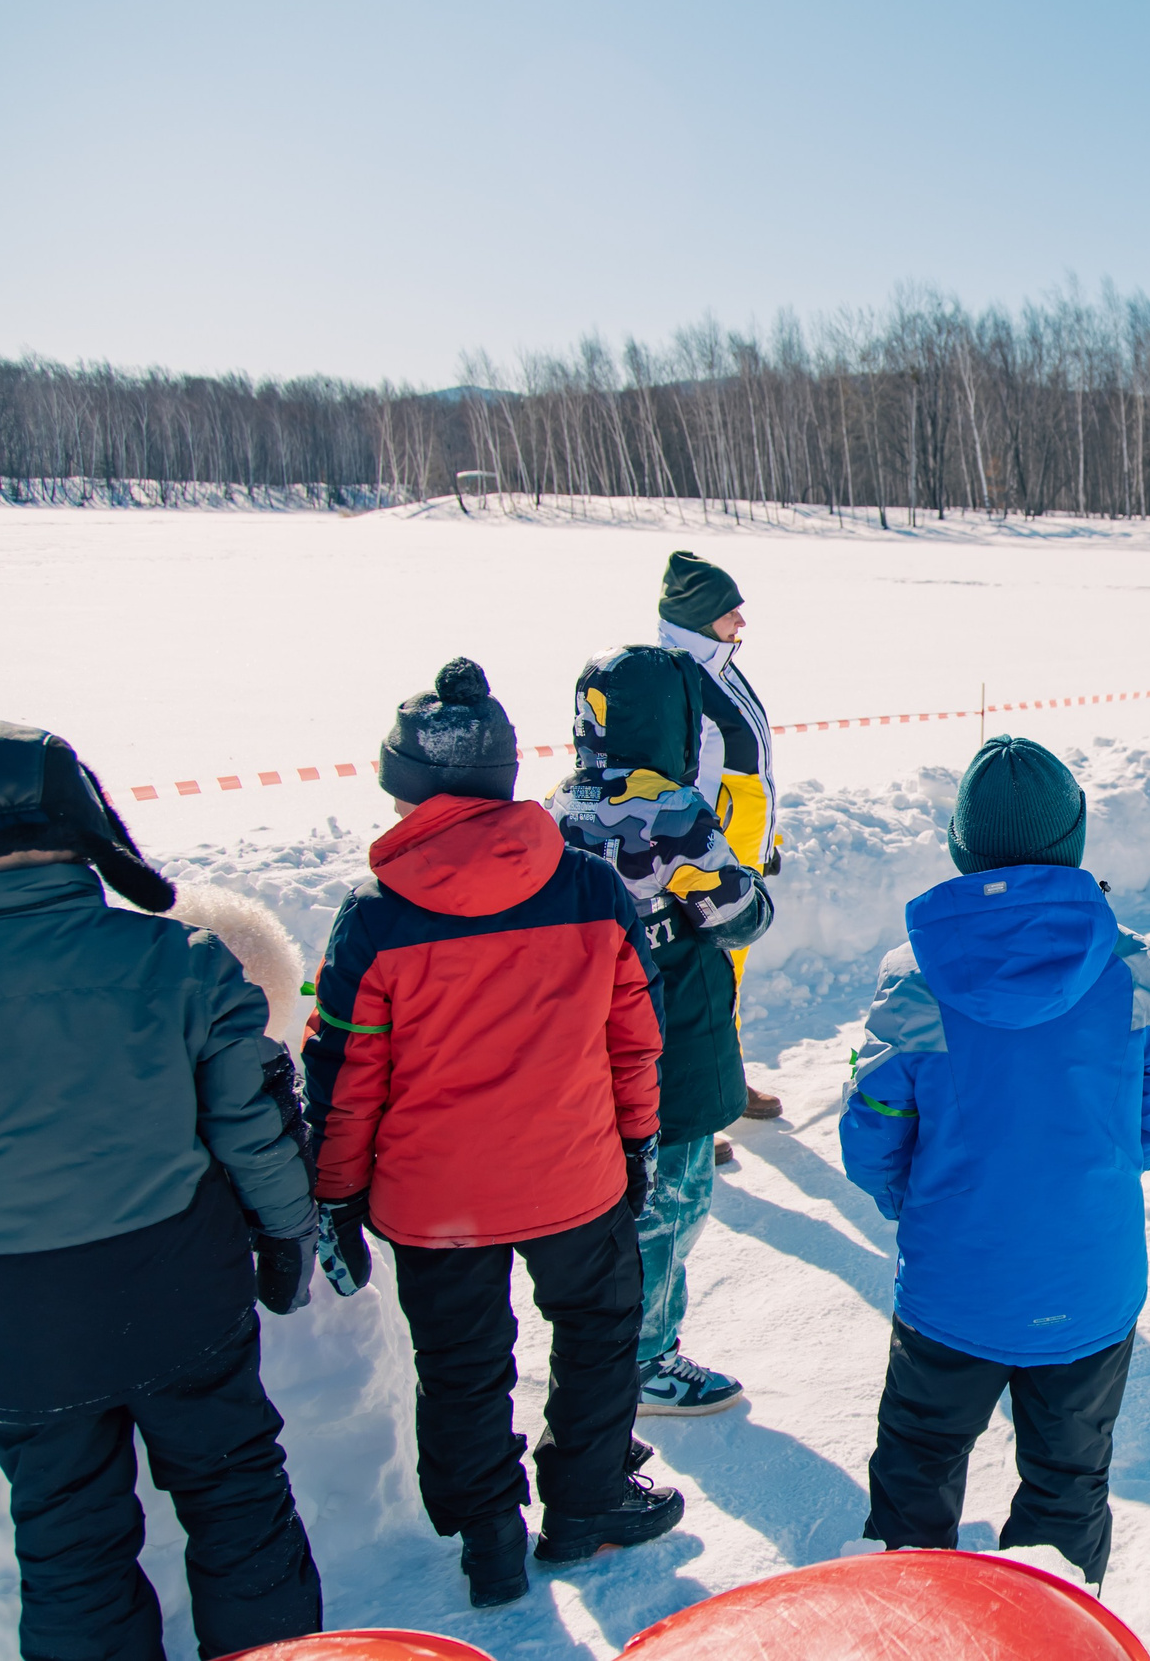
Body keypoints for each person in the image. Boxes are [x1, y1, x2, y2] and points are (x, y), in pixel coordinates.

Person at [0, 721, 323, 1659]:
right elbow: (252, 1124)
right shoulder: (178, 960)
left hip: (11, 1331)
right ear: (83, 825)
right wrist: (291, 1235)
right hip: (181, 1297)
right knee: (238, 1501)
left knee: (67, 1546)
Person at [301, 660, 681, 1607]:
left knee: (462, 1365)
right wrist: (637, 1141)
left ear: (407, 789)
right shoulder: (588, 888)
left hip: (437, 1204)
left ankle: (489, 1542)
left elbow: (345, 1082)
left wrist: (336, 1193)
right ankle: (586, 1504)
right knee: (597, 1332)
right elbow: (635, 1036)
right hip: (573, 1176)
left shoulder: (375, 918)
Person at [840, 736, 1150, 1588]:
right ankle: (1055, 1630)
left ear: (964, 847)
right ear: (1072, 842)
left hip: (954, 1282)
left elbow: (872, 1130)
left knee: (917, 1471)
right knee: (1068, 1487)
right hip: (1089, 1280)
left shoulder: (915, 977)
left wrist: (922, 1199)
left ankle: (907, 1623)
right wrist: (1091, 1172)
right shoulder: (1126, 964)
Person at [554, 644, 772, 1417]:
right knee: (674, 1199)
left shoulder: (556, 806)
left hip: (586, 1048)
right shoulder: (671, 809)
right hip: (668, 1041)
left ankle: (604, 1337)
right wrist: (748, 884)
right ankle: (644, 1355)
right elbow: (734, 915)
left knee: (611, 1199)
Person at [656, 549, 785, 1127]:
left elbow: (750, 776)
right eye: (731, 611)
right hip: (709, 864)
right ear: (700, 616)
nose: (741, 622)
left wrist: (762, 849)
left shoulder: (716, 664)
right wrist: (711, 859)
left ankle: (723, 1078)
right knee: (700, 985)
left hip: (739, 855)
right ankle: (692, 1110)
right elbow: (691, 785)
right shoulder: (680, 676)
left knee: (727, 975)